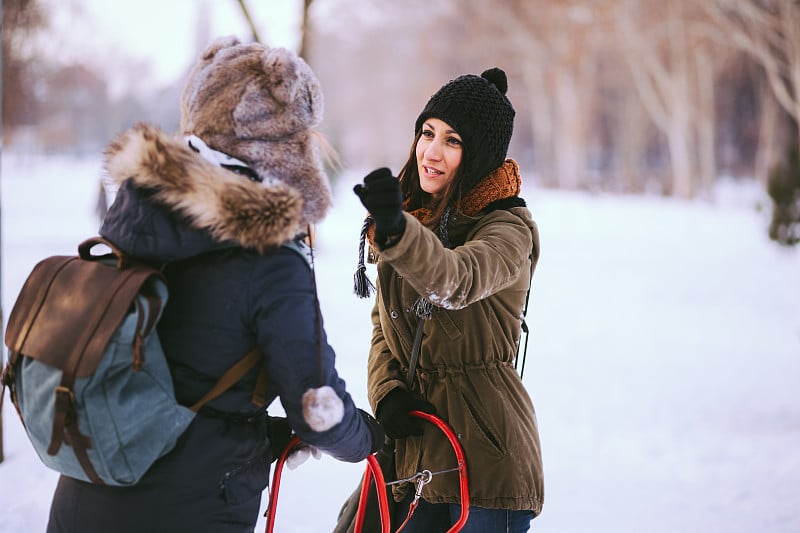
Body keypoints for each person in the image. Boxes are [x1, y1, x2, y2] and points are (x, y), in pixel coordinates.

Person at [46, 36, 384, 533]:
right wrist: (366, 438)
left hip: (85, 498)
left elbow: (168, 371)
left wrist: (259, 436)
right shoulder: (270, 258)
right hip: (191, 508)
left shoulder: (138, 217)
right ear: (285, 151)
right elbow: (318, 407)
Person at [352, 67, 543, 532]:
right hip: (419, 453)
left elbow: (454, 280)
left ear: (477, 156)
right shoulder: (417, 216)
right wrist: (388, 391)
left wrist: (398, 233)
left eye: (452, 141)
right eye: (427, 132)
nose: (430, 151)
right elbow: (385, 325)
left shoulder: (507, 230)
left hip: (486, 459)